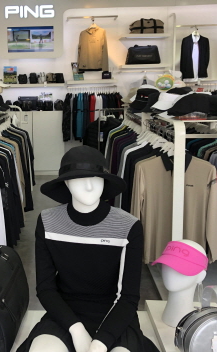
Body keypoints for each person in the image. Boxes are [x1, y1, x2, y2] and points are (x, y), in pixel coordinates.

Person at [19, 146, 158, 352]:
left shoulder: (128, 226)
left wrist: (101, 342)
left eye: (96, 178)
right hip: (65, 314)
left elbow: (128, 298)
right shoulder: (48, 221)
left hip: (115, 314)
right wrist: (76, 329)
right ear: (66, 183)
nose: (90, 186)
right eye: (79, 178)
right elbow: (46, 289)